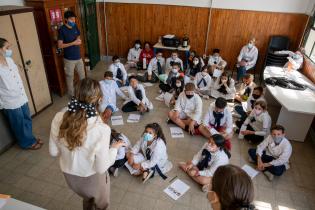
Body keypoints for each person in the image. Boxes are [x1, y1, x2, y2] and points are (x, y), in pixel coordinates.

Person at [49, 78, 126, 210]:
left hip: (70, 177)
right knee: (101, 206)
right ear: (100, 99)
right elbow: (101, 168)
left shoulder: (58, 117)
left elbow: (53, 151)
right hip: (90, 178)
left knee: (88, 200)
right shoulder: (101, 129)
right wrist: (113, 148)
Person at [0, 38, 43, 150]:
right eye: (7, 48)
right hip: (10, 101)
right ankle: (26, 143)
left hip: (21, 95)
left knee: (27, 118)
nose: (10, 50)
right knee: (19, 123)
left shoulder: (9, 60)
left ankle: (30, 138)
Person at [57, 10, 85, 97]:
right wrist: (73, 43)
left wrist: (78, 39)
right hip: (69, 59)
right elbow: (60, 45)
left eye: (74, 19)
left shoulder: (75, 26)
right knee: (70, 78)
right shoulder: (62, 30)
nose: (73, 21)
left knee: (82, 76)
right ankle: (72, 96)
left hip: (78, 57)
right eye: (71, 19)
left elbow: (78, 35)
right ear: (66, 19)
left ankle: (83, 93)